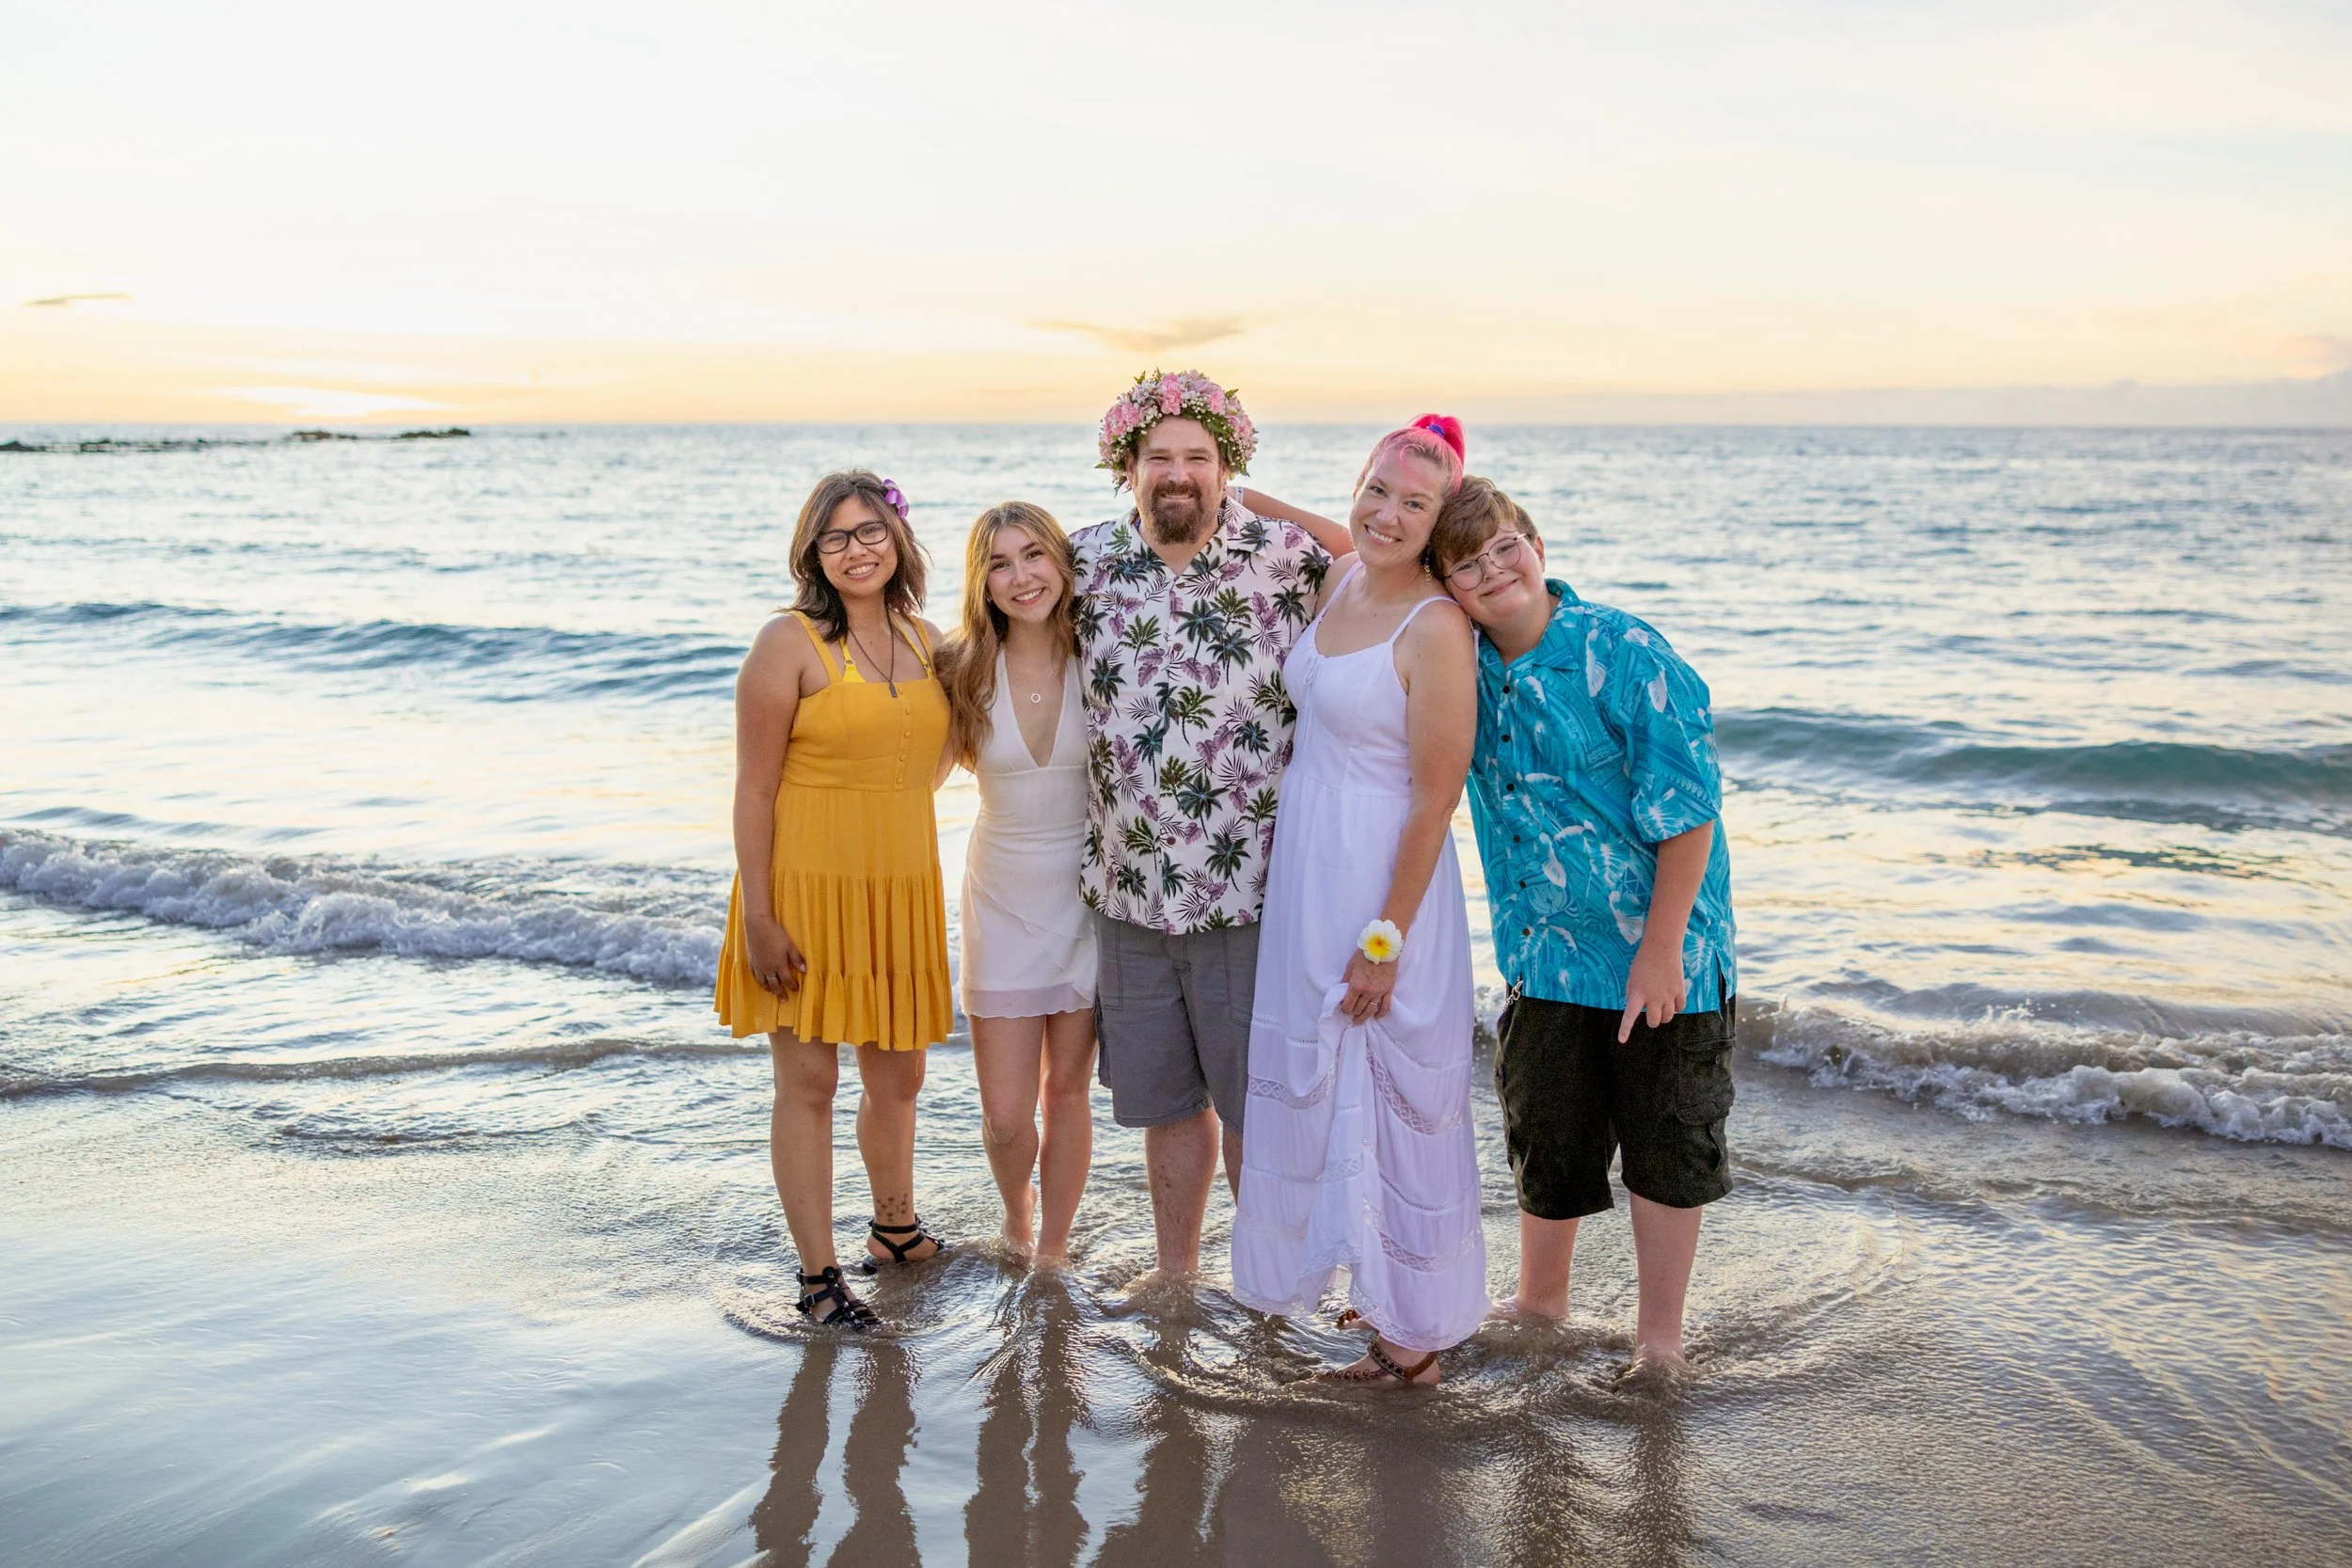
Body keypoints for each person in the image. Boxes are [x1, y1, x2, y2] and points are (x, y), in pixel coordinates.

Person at [1428, 476, 1739, 1375]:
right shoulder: (1465, 668)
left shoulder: (1624, 649)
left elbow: (1688, 812)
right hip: (1543, 956)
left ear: (1538, 547)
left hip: (1660, 953)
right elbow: (1368, 559)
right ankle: (1540, 1301)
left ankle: (1659, 1339)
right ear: (1445, 587)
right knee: (1548, 1136)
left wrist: (1660, 952)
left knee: (1666, 1141)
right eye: (1468, 565)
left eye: (1506, 547)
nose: (1494, 571)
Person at [1070, 369, 1351, 1280]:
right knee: (1163, 1106)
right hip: (1128, 890)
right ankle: (1177, 1273)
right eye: (1159, 458)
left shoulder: (1284, 556)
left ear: (1228, 468)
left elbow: (1365, 555)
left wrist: (1235, 483)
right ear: (1127, 466)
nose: (1178, 473)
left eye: (1199, 457)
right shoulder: (1084, 564)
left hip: (1250, 891)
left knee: (1254, 1108)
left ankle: (1271, 1280)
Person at [1230, 417, 1485, 1386]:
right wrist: (1230, 490)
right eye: (1374, 489)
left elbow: (1435, 794)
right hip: (1308, 870)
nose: (1385, 513)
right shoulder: (1341, 574)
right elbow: (1296, 519)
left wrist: (1385, 938)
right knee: (1327, 1078)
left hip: (1386, 885)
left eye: (1412, 504)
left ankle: (1416, 1337)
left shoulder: (1437, 626)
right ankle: (1374, 1288)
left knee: (1393, 1086)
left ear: (1438, 520)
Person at [715, 469, 954, 1331]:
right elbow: (752, 789)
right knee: (809, 1080)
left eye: (871, 531)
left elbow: (941, 754)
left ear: (899, 538)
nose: (859, 550)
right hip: (805, 887)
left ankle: (896, 1229)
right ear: (813, 552)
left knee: (901, 1074)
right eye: (837, 537)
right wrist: (761, 915)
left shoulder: (931, 641)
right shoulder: (788, 642)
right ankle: (819, 1280)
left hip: (898, 886)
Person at [938, 502, 1098, 1266]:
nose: (1021, 576)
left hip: (1088, 898)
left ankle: (1053, 1249)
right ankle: (1017, 1211)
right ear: (983, 582)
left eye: (1034, 555)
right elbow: (914, 777)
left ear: (1061, 562)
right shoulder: (961, 669)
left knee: (1066, 1092)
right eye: (999, 563)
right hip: (999, 897)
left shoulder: (1103, 654)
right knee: (1005, 1115)